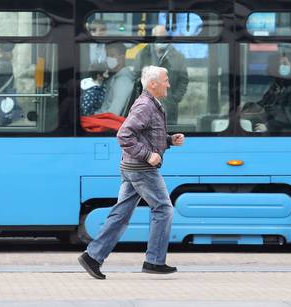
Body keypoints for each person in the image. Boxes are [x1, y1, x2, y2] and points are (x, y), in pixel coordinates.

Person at [78, 65, 185, 280]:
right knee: (164, 208)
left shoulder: (150, 103)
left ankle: (93, 257)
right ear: (153, 83)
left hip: (132, 167)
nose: (169, 84)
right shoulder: (146, 105)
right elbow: (124, 135)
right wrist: (147, 155)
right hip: (141, 168)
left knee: (121, 213)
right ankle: (154, 260)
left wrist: (168, 141)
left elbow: (145, 135)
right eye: (166, 80)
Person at [133, 25, 189, 124]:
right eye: (158, 37)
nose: (161, 40)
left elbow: (183, 80)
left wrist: (174, 99)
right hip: (145, 108)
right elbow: (135, 78)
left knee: (167, 136)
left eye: (164, 38)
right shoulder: (142, 55)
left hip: (169, 110)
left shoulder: (178, 57)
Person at [250, 51, 291, 133]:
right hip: (267, 119)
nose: (281, 67)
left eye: (285, 64)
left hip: (279, 130)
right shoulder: (280, 84)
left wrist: (268, 126)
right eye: (280, 64)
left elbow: (290, 115)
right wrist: (248, 108)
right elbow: (263, 103)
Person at [95, 43, 135, 116]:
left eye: (112, 55)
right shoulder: (115, 78)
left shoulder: (123, 82)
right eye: (107, 55)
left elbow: (114, 114)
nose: (108, 59)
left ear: (122, 58)